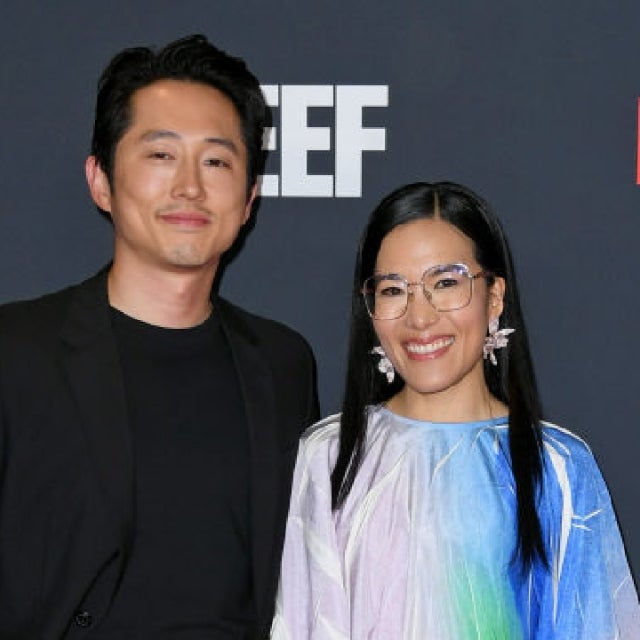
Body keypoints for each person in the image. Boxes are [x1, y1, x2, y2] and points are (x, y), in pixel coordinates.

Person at [0, 35, 319, 639]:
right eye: (161, 154)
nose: (190, 187)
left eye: (217, 161)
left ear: (249, 198)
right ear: (100, 181)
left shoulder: (283, 365)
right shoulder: (15, 354)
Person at [272, 181, 639, 639]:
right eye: (393, 290)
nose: (419, 317)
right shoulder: (329, 455)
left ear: (495, 297)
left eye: (445, 283)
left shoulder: (559, 467)